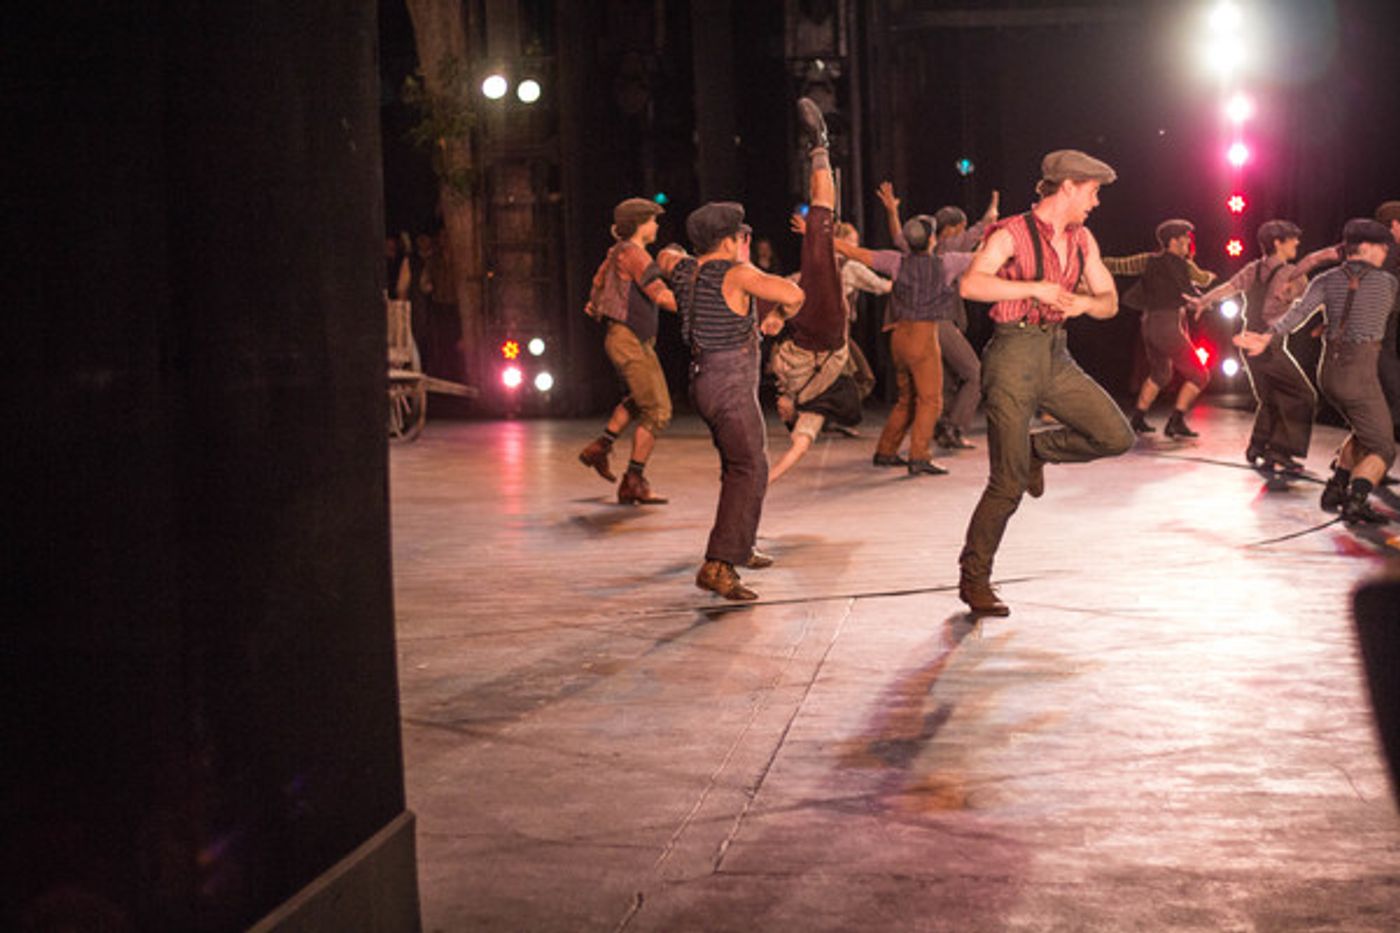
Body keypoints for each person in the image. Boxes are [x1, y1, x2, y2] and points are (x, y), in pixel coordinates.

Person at [956, 150, 1135, 616]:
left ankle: (1040, 451)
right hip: (1013, 355)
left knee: (1116, 435)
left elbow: (1109, 299)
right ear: (1070, 186)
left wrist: (1085, 306)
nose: (1095, 202)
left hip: (1055, 354)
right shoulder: (1011, 233)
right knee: (1007, 484)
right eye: (1093, 192)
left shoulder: (1082, 239)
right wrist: (1033, 289)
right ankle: (975, 580)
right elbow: (972, 286)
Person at [657, 191, 803, 600]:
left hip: (702, 380)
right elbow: (794, 295)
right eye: (740, 235)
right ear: (727, 241)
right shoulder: (736, 274)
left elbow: (667, 256)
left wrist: (678, 253)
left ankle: (741, 543)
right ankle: (718, 565)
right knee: (750, 467)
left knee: (737, 465)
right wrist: (775, 312)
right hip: (730, 384)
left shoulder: (685, 270)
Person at [1236, 219, 1398, 524]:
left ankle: (1336, 487)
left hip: (1329, 373)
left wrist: (1269, 336)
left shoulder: (1325, 280)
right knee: (1383, 448)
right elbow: (1377, 312)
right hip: (1359, 374)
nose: (1385, 252)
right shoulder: (1387, 283)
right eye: (1381, 246)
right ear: (1366, 248)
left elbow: (1297, 313)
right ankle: (1356, 499)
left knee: (1363, 430)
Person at [1186, 220, 1340, 473]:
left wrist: (1205, 299)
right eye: (1292, 239)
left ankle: (1259, 445)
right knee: (1303, 396)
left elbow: (1229, 287)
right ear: (1278, 243)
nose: (1297, 243)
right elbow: (1314, 302)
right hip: (1265, 344)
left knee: (1272, 397)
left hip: (1248, 341)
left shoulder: (1254, 269)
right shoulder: (1293, 274)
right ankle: (1280, 451)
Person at [832, 207, 972, 476]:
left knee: (906, 399)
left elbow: (855, 253)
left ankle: (886, 451)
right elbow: (981, 257)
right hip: (923, 336)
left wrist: (819, 234)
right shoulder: (946, 262)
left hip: (899, 337)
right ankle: (919, 456)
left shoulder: (895, 261)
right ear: (932, 240)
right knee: (930, 400)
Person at [766, 110, 866, 483]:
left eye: (779, 412)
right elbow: (799, 449)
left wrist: (774, 316)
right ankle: (820, 147)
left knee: (810, 250)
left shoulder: (782, 383)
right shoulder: (812, 408)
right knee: (820, 231)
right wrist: (768, 480)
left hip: (802, 324)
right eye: (782, 414)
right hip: (825, 328)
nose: (779, 409)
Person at [577, 198, 679, 504]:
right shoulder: (635, 255)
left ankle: (601, 446)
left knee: (640, 399)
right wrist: (702, 305)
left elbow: (596, 285)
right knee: (659, 411)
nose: (656, 225)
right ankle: (633, 480)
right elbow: (660, 296)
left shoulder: (616, 252)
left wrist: (597, 305)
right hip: (629, 340)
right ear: (640, 223)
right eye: (652, 220)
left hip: (626, 339)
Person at [1108, 219, 1213, 438]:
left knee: (1161, 374)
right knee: (1200, 375)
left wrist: (1089, 262)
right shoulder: (1184, 265)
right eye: (1185, 238)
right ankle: (1176, 421)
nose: (1188, 242)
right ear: (1173, 241)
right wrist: (1210, 280)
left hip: (1149, 325)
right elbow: (1201, 281)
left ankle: (1137, 419)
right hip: (1168, 325)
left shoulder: (1148, 260)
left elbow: (1117, 264)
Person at [1375, 201, 1400, 444]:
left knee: (1380, 399)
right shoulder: (1391, 251)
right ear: (1394, 225)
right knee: (1391, 396)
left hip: (1382, 333)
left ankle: (1350, 460)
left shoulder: (1382, 250)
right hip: (1380, 335)